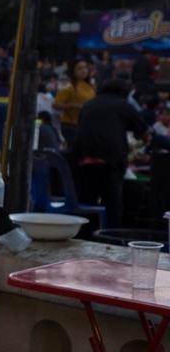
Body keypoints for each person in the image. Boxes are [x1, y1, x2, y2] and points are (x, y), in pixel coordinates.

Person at [71, 79, 149, 228]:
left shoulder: (88, 104)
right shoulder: (123, 105)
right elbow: (144, 131)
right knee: (112, 204)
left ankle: (86, 236)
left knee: (87, 203)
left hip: (83, 160)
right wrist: (144, 140)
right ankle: (110, 237)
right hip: (110, 161)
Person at [53, 57, 96, 144]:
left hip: (86, 124)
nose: (84, 71)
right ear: (73, 71)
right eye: (79, 68)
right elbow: (55, 104)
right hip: (71, 125)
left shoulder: (90, 85)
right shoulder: (69, 86)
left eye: (85, 67)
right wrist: (74, 105)